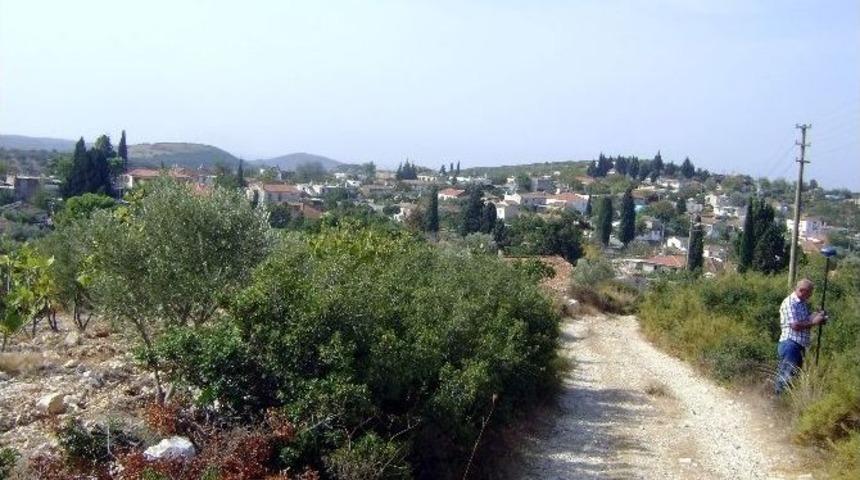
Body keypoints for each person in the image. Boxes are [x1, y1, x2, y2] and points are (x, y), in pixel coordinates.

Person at [775, 278, 827, 394]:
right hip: (790, 344)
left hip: (799, 346)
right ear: (802, 290)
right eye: (810, 293)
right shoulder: (790, 303)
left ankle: (784, 403)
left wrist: (817, 316)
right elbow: (795, 325)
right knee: (786, 377)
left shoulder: (802, 304)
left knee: (793, 378)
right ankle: (777, 402)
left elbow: (805, 320)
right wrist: (814, 322)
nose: (810, 295)